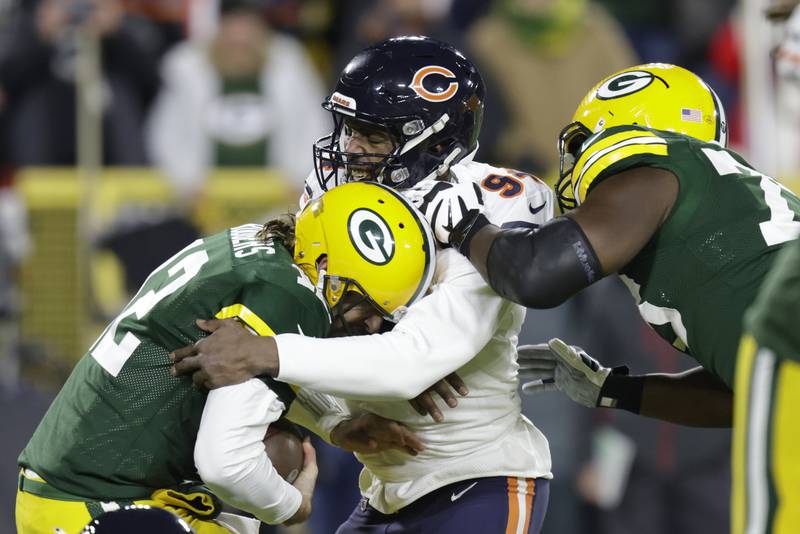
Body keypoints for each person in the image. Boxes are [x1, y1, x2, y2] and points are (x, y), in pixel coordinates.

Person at [174, 36, 553, 533]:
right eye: (349, 130)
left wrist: (267, 352)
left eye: (374, 138)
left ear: (436, 140)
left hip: (479, 479)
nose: (351, 150)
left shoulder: (494, 203)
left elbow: (411, 362)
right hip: (386, 491)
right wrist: (331, 416)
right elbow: (298, 329)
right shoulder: (334, 194)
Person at [416, 63, 800, 531]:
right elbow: (745, 393)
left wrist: (462, 222)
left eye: (581, 143)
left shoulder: (658, 166)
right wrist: (616, 390)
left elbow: (536, 274)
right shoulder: (721, 207)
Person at [16, 181, 434, 533]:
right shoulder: (294, 299)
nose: (373, 326)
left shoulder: (257, 244)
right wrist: (293, 506)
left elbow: (259, 361)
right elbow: (226, 466)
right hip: (97, 505)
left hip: (74, 488)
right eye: (366, 305)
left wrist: (333, 421)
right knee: (256, 485)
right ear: (325, 265)